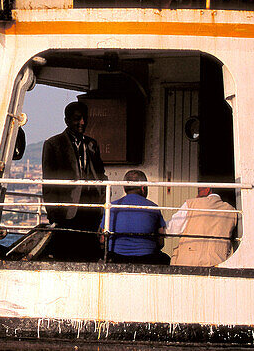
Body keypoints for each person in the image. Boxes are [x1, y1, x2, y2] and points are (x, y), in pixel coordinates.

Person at [41, 102, 107, 261]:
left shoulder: (92, 144)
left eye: (85, 118)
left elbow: (100, 174)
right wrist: (53, 215)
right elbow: (48, 183)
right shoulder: (53, 144)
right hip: (66, 213)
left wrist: (101, 202)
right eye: (78, 119)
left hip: (91, 213)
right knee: (65, 256)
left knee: (89, 256)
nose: (82, 123)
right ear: (67, 120)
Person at [103, 170, 169, 264]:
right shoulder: (153, 207)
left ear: (124, 187)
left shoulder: (111, 207)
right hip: (147, 258)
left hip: (116, 258)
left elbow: (102, 239)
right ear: (143, 188)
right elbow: (160, 242)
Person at [167, 186, 238, 267]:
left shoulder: (192, 204)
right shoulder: (232, 211)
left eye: (199, 190)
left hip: (188, 263)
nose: (197, 194)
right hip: (218, 263)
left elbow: (172, 229)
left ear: (207, 189)